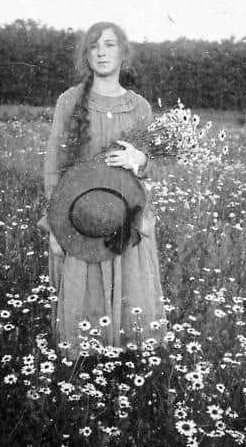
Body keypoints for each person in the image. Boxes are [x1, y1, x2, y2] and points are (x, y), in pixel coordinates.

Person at [41, 21, 167, 357]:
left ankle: (128, 366)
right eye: (94, 45)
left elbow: (151, 166)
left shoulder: (139, 106)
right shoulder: (69, 101)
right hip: (80, 224)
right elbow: (54, 166)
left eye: (110, 45)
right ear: (86, 54)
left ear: (123, 54)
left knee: (132, 304)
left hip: (129, 222)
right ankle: (83, 374)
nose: (101, 51)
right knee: (85, 305)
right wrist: (54, 227)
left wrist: (140, 159)